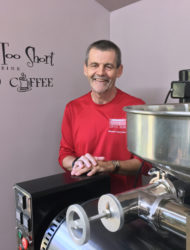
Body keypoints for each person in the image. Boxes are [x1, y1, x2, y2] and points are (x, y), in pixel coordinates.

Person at [58, 40, 145, 194]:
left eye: (108, 66)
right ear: (85, 69)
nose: (100, 72)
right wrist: (77, 162)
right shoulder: (72, 108)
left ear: (119, 70)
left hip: (125, 202)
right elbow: (65, 155)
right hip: (82, 198)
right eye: (94, 65)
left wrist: (111, 166)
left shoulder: (136, 108)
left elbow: (144, 164)